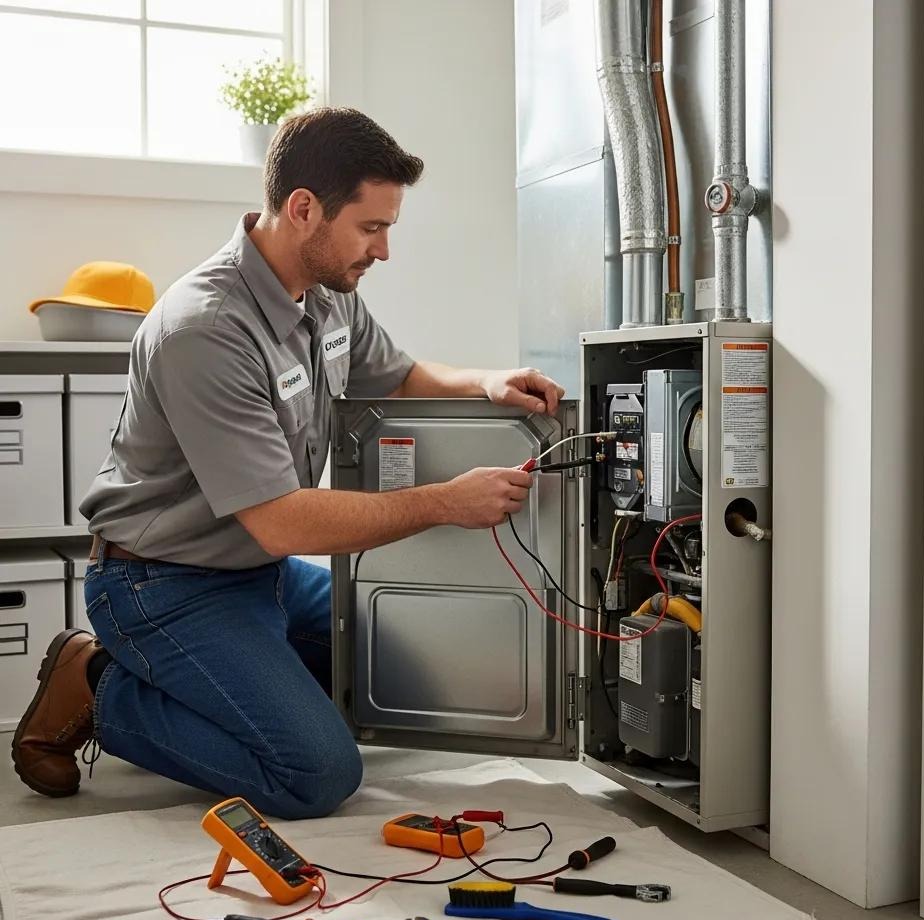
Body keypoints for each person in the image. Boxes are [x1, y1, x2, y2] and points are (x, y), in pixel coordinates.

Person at [11, 107, 564, 819]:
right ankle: (98, 686)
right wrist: (443, 503)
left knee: (409, 678)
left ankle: (223, 679)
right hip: (163, 585)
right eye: (371, 227)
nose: (384, 250)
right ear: (304, 209)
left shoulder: (327, 296)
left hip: (260, 575)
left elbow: (396, 376)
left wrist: (485, 381)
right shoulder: (205, 330)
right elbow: (282, 522)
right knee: (316, 771)